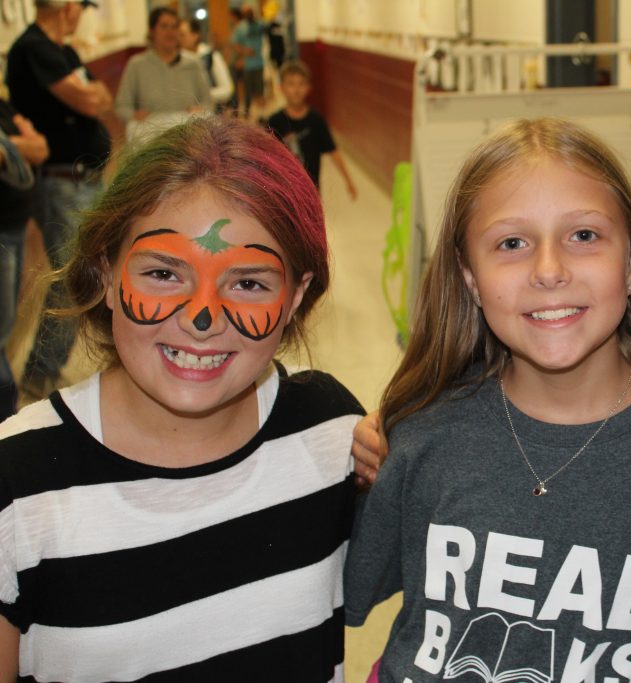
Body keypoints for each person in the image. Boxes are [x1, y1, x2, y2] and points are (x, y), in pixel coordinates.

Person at [0, 116, 363, 681]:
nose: (202, 318)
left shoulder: (332, 431)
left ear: (295, 298)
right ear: (106, 273)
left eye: (248, 283)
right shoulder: (16, 480)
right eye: (164, 273)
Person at [344, 118, 631, 682]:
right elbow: (336, 587)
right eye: (512, 243)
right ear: (470, 277)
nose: (549, 271)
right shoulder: (424, 428)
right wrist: (354, 475)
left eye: (584, 236)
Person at [5, 0, 112, 402]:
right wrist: (89, 95)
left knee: (86, 274)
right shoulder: (34, 48)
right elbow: (91, 101)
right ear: (66, 7)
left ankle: (44, 369)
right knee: (73, 279)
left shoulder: (63, 51)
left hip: (85, 180)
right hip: (61, 182)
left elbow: (100, 95)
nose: (81, 14)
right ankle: (40, 372)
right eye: (80, 7)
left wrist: (90, 94)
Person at [0, 104, 48, 420]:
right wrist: (18, 145)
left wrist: (10, 147)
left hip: (13, 226)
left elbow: (40, 148)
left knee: (6, 329)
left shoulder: (3, 106)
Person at [115, 7, 212, 142]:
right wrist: (133, 115)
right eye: (164, 26)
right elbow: (122, 107)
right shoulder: (137, 65)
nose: (170, 32)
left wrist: (200, 110)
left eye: (174, 27)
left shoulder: (193, 63)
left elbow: (208, 102)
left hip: (187, 138)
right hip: (151, 139)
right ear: (152, 31)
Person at [267, 60, 357, 197]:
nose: (296, 90)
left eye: (301, 84)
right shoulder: (274, 121)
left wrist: (348, 180)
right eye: (291, 84)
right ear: (281, 88)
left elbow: (333, 151)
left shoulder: (316, 120)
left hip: (312, 192)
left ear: (308, 87)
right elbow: (267, 157)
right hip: (286, 192)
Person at [179, 18, 234, 109]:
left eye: (182, 35)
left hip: (210, 111)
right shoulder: (177, 60)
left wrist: (201, 96)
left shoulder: (211, 56)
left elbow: (227, 89)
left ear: (195, 35)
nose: (179, 39)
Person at [229, 5, 265, 119]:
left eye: (250, 11)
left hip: (259, 63)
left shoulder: (260, 25)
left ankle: (262, 116)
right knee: (247, 92)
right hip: (247, 65)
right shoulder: (240, 28)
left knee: (260, 91)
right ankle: (246, 114)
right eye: (246, 12)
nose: (249, 14)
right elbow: (235, 44)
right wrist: (245, 51)